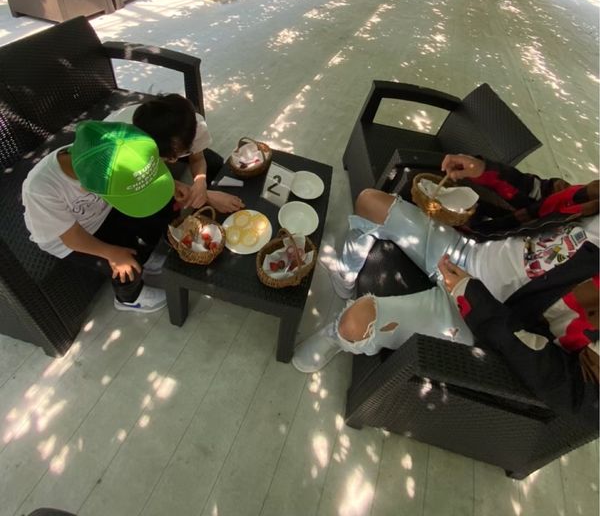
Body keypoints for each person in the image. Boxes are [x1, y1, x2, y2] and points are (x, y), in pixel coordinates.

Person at [293, 154, 599, 419]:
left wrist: (472, 297)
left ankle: (336, 336)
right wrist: (484, 170)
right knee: (369, 201)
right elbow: (545, 194)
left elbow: (581, 398)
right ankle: (345, 277)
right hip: (470, 252)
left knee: (353, 323)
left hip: (485, 317)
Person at [22, 120, 177, 313]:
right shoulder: (40, 189)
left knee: (149, 224)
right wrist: (112, 253)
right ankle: (129, 297)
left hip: (101, 211)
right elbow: (72, 237)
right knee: (125, 263)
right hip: (69, 237)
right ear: (86, 187)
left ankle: (144, 259)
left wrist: (173, 186)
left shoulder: (100, 153)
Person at [106, 93, 244, 213]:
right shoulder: (126, 147)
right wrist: (206, 196)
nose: (173, 162)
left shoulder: (193, 125)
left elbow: (197, 158)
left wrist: (200, 183)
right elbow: (147, 181)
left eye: (180, 152)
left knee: (214, 163)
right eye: (168, 157)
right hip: (123, 164)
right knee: (162, 208)